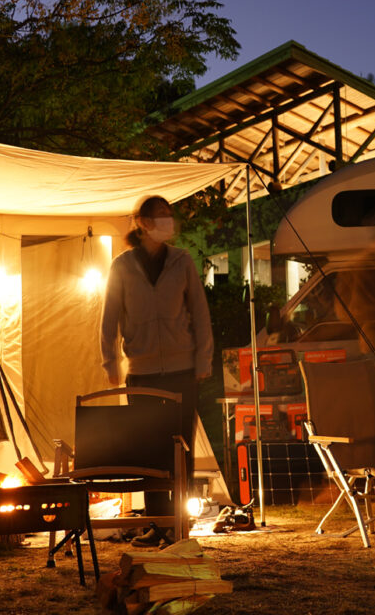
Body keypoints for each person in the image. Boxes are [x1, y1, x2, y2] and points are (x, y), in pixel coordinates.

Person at [99, 195, 213, 547]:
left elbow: (200, 312)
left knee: (182, 451)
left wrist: (204, 360)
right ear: (143, 223)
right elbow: (108, 319)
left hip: (182, 368)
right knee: (150, 452)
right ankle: (158, 525)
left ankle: (180, 526)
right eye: (161, 217)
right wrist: (110, 363)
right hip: (142, 370)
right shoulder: (122, 266)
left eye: (170, 216)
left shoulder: (182, 261)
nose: (168, 222)